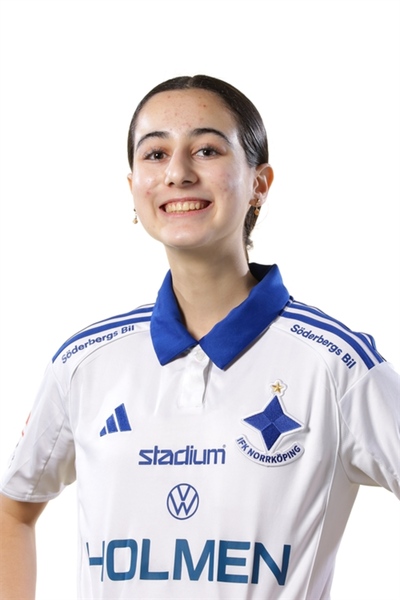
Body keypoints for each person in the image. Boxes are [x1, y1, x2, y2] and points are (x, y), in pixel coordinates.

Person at [0, 74, 398, 600]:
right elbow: (13, 511)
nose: (178, 173)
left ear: (259, 183)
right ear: (133, 186)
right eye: (155, 154)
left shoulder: (336, 365)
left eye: (207, 150)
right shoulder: (84, 363)